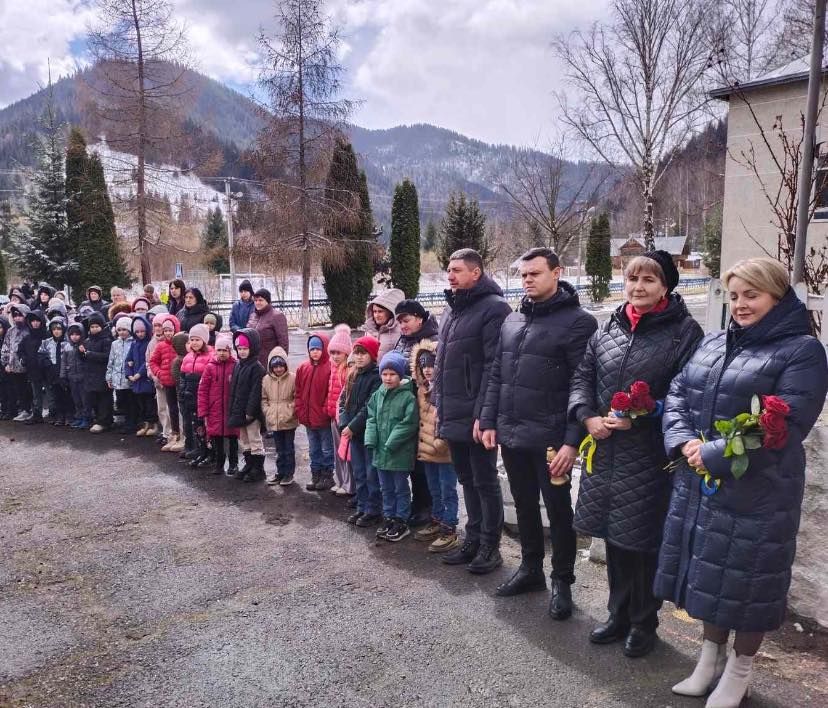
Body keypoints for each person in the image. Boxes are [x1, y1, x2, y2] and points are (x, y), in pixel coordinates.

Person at [656, 258, 827, 706]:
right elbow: (677, 392)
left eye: (751, 295)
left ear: (776, 296)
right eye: (734, 296)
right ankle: (709, 659)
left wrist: (709, 452)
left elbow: (784, 423)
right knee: (712, 574)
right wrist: (684, 441)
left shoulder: (802, 351)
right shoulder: (713, 343)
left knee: (749, 582)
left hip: (761, 492)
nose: (740, 305)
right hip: (705, 484)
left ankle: (740, 669)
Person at [568, 251, 703, 655]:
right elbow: (583, 377)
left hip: (648, 455)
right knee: (614, 536)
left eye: (648, 279)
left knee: (642, 541)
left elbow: (687, 394)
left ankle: (644, 622)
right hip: (605, 450)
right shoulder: (608, 327)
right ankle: (617, 614)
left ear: (666, 286)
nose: (638, 287)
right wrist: (587, 416)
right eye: (632, 278)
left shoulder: (683, 332)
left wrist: (643, 415)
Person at [478, 248, 598, 614]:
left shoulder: (580, 323)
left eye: (536, 273)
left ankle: (562, 581)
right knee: (525, 504)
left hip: (551, 441)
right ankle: (531, 568)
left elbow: (585, 385)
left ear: (557, 272)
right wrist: (488, 420)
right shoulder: (512, 321)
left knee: (559, 512)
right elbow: (497, 373)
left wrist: (571, 442)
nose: (528, 279)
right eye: (524, 274)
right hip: (513, 435)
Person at [434, 248, 511, 574]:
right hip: (453, 411)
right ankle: (473, 539)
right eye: (448, 270)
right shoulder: (453, 310)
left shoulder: (493, 309)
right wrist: (439, 403)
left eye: (457, 270)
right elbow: (441, 364)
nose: (450, 275)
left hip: (478, 415)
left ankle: (490, 547)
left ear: (476, 273)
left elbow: (497, 366)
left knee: (484, 481)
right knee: (466, 478)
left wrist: (486, 414)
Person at [392, 299, 439, 526]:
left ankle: (427, 507)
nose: (402, 325)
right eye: (399, 321)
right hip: (405, 407)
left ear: (419, 318)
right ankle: (417, 503)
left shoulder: (431, 342)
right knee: (411, 458)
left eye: (406, 320)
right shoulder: (404, 339)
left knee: (424, 461)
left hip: (424, 408)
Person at [410, 341, 460, 553]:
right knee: (434, 490)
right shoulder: (422, 389)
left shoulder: (447, 390)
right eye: (423, 365)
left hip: (444, 452)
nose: (428, 369)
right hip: (427, 451)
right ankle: (437, 519)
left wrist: (441, 442)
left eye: (432, 364)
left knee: (448, 490)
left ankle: (449, 529)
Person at [365, 351, 419, 543]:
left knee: (400, 487)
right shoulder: (378, 394)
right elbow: (371, 417)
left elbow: (409, 423)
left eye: (392, 374)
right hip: (380, 451)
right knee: (385, 487)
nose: (388, 378)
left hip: (398, 452)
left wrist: (391, 442)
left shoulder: (408, 397)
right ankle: (389, 516)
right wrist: (371, 439)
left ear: (400, 375)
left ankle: (401, 520)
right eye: (384, 374)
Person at [340, 336, 383, 527]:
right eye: (356, 353)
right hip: (353, 433)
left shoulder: (376, 377)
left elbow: (369, 407)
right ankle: (362, 506)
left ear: (372, 356)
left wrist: (352, 426)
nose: (358, 358)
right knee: (358, 472)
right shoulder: (353, 374)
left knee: (370, 473)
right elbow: (343, 401)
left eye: (363, 354)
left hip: (367, 433)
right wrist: (344, 423)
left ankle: (373, 510)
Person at [295, 333, 334, 490]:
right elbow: (298, 391)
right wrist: (299, 409)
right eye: (312, 349)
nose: (315, 352)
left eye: (318, 348)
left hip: (323, 419)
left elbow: (330, 392)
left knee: (326, 449)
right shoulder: (303, 368)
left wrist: (325, 411)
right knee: (313, 448)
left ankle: (327, 476)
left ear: (324, 349)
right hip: (308, 418)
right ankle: (315, 474)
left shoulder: (329, 367)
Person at [197, 335, 239, 476]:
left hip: (230, 409)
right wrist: (203, 411)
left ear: (230, 351)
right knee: (217, 439)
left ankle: (233, 464)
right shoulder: (210, 367)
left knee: (233, 438)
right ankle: (219, 464)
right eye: (219, 350)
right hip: (214, 410)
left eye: (225, 350)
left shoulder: (235, 366)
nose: (221, 353)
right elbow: (203, 390)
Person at [228, 328, 266, 483]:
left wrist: (250, 412)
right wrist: (233, 409)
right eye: (239, 349)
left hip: (252, 414)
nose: (242, 352)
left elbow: (255, 392)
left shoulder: (257, 368)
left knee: (254, 439)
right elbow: (234, 389)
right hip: (239, 410)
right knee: (244, 439)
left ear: (253, 348)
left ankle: (258, 469)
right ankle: (249, 465)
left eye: (245, 348)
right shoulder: (238, 365)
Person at [261, 346, 298, 485]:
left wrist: (290, 410)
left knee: (288, 448)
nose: (278, 369)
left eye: (281, 366)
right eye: (275, 367)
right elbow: (264, 399)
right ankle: (280, 472)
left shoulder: (293, 378)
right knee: (279, 449)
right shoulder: (266, 380)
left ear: (285, 365)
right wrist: (268, 411)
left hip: (288, 419)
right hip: (274, 419)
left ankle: (289, 473)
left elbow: (296, 397)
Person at [179, 324, 213, 467]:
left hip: (204, 399)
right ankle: (201, 451)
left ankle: (211, 454)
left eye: (197, 340)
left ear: (204, 340)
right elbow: (182, 378)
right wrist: (182, 393)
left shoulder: (211, 356)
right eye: (192, 340)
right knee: (197, 427)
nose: (194, 343)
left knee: (207, 428)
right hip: (190, 398)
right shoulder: (187, 357)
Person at [326, 324, 353, 496]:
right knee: (338, 452)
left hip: (343, 419)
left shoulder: (347, 370)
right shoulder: (333, 367)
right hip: (333, 417)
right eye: (333, 352)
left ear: (347, 353)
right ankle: (341, 480)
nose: (335, 356)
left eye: (339, 353)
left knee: (346, 453)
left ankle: (349, 484)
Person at [150, 315, 182, 447]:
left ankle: (183, 434)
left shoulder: (180, 343)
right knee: (171, 409)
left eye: (170, 330)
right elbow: (153, 362)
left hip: (180, 383)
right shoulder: (160, 346)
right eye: (166, 330)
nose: (168, 333)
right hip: (167, 383)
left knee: (181, 409)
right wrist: (159, 373)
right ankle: (173, 433)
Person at [124, 316, 157, 437]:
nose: (140, 334)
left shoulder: (149, 343)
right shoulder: (134, 344)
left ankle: (152, 424)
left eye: (142, 331)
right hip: (136, 381)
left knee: (150, 404)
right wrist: (129, 374)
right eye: (137, 332)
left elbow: (147, 361)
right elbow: (128, 360)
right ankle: (145, 424)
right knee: (141, 404)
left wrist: (138, 374)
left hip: (145, 379)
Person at [81, 312, 114, 433]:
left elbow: (106, 356)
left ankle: (105, 421)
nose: (94, 329)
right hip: (90, 375)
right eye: (92, 327)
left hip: (103, 374)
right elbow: (83, 358)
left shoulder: (106, 340)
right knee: (94, 399)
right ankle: (98, 419)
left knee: (104, 399)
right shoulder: (87, 341)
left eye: (97, 326)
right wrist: (81, 353)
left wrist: (89, 354)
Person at [1, 304, 32, 420]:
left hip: (26, 367)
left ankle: (30, 409)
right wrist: (6, 363)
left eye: (20, 315)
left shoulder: (29, 331)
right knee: (18, 390)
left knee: (28, 389)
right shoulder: (10, 331)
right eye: (15, 316)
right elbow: (6, 347)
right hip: (13, 366)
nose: (17, 318)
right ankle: (23, 410)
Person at [106, 316, 135, 434]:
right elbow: (111, 361)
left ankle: (131, 423)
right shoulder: (114, 344)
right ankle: (124, 422)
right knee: (121, 401)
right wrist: (109, 377)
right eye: (119, 330)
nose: (122, 332)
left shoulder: (133, 343)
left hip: (129, 378)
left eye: (125, 329)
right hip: (117, 378)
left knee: (131, 402)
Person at [40, 317, 71, 425]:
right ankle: (59, 415)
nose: (56, 331)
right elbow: (41, 355)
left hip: (65, 372)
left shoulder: (68, 342)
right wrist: (47, 364)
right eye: (54, 329)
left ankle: (68, 415)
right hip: (52, 372)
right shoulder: (46, 342)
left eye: (59, 329)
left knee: (67, 395)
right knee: (56, 395)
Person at [19, 310, 48, 424]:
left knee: (51, 393)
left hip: (46, 370)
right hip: (32, 370)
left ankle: (55, 414)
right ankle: (37, 414)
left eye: (37, 321)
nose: (35, 323)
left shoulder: (46, 335)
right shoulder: (27, 337)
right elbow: (20, 350)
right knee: (36, 393)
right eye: (33, 321)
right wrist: (23, 359)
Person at [247, 288, 289, 367]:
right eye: (255, 301)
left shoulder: (277, 316)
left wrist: (280, 362)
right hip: (252, 361)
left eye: (260, 300)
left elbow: (283, 342)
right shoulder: (253, 315)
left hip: (269, 361)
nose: (257, 303)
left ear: (268, 301)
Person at [363, 288, 405, 361]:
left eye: (380, 311)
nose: (376, 315)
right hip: (370, 372)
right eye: (374, 311)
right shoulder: (369, 330)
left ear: (389, 312)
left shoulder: (400, 330)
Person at [61, 322, 87, 428]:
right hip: (72, 377)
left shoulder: (84, 345)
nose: (74, 337)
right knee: (76, 399)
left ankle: (86, 418)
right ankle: (79, 417)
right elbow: (64, 362)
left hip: (83, 378)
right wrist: (63, 376)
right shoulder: (67, 347)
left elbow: (87, 361)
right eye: (72, 334)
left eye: (77, 334)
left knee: (84, 400)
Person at [0, 315, 11, 419]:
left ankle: (9, 410)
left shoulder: (7, 338)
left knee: (8, 390)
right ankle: (3, 409)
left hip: (7, 368)